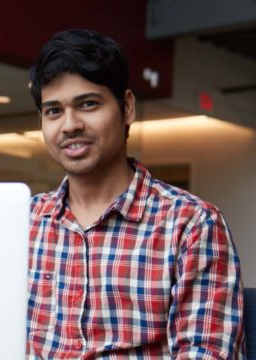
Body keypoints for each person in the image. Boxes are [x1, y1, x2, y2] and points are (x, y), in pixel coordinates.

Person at [27, 29, 245, 359]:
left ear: (127, 108)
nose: (69, 124)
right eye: (54, 111)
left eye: (88, 104)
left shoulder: (191, 224)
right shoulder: (23, 223)